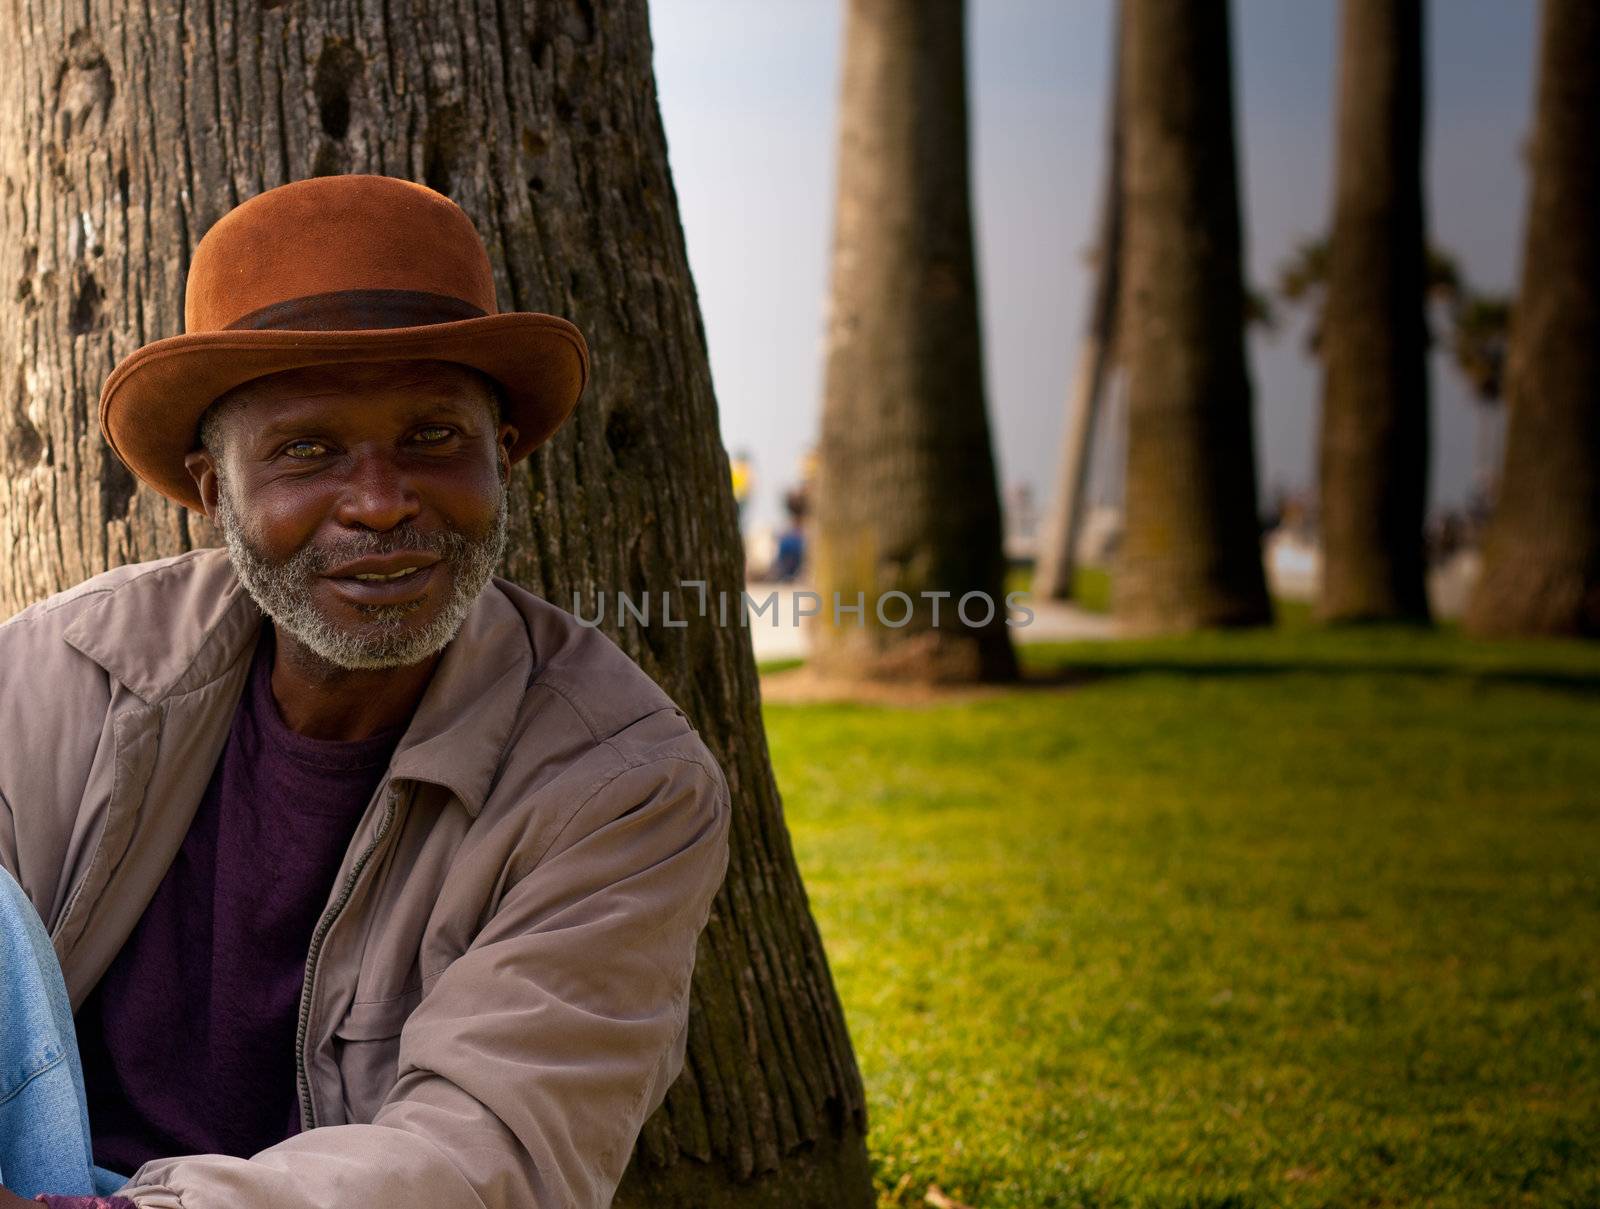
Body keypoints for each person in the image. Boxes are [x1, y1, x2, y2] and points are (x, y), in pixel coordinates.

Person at [0, 175, 731, 1209]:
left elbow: (487, 1158)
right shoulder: (54, 673)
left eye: (433, 438)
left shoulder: (621, 786)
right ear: (217, 492)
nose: (382, 506)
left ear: (503, 458)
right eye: (307, 451)